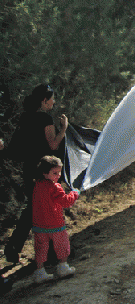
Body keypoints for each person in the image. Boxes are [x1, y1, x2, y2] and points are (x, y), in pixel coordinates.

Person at [4, 84, 68, 264]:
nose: (54, 102)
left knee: (33, 209)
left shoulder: (25, 117)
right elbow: (53, 145)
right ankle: (52, 252)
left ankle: (13, 247)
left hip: (29, 169)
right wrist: (63, 128)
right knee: (44, 208)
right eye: (52, 99)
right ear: (44, 100)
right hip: (44, 172)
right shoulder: (45, 119)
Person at [32, 156, 79, 283]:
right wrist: (75, 193)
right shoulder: (55, 187)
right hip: (55, 224)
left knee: (41, 249)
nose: (58, 175)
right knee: (62, 245)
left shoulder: (37, 184)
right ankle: (63, 267)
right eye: (55, 173)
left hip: (39, 224)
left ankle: (39, 272)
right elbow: (66, 202)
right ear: (44, 172)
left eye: (59, 172)